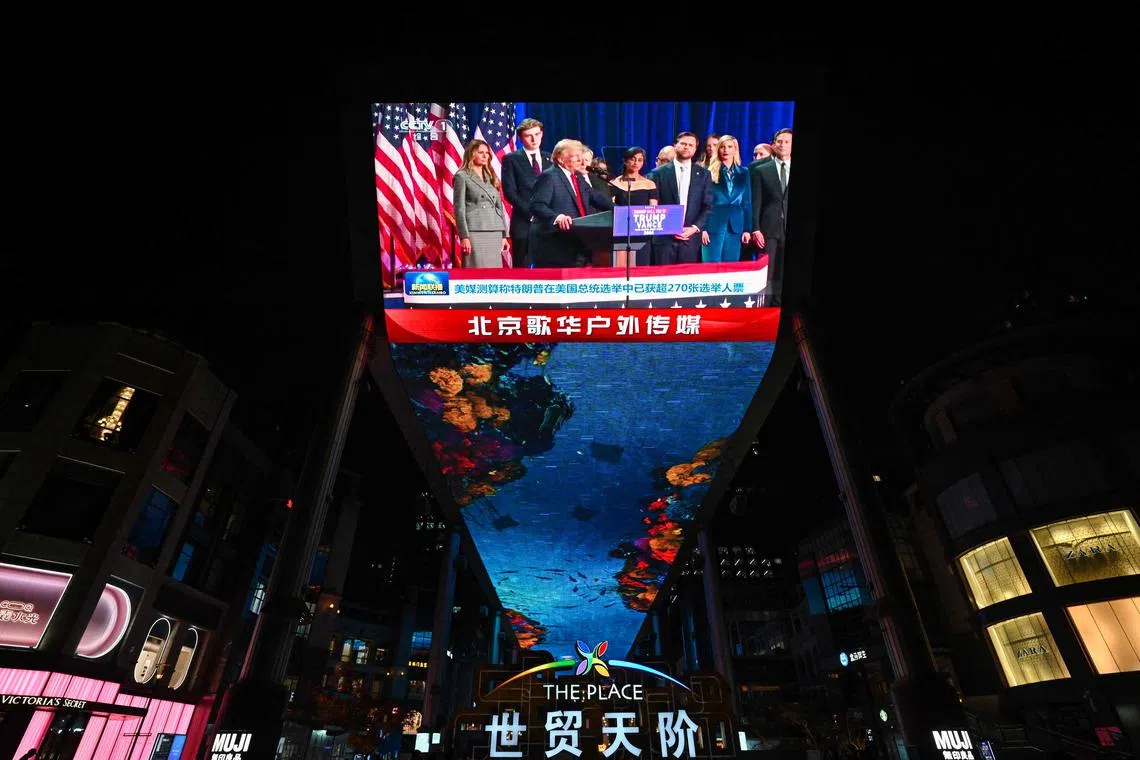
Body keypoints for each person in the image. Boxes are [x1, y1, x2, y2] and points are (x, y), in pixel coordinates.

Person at [528, 139, 613, 267]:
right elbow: (536, 205)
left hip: (579, 241)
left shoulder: (577, 177)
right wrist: (557, 217)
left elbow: (596, 197)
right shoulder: (549, 176)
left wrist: (622, 211)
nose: (581, 160)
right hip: (557, 244)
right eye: (576, 156)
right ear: (561, 159)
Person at [648, 131, 712, 265]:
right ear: (675, 145)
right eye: (683, 144)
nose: (686, 147)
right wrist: (669, 227)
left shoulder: (703, 174)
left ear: (695, 149)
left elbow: (707, 205)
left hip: (691, 240)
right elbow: (653, 206)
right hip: (664, 239)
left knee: (687, 282)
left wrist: (694, 228)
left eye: (690, 145)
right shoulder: (658, 173)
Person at [500, 118, 552, 267]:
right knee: (522, 265)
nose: (533, 139)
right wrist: (532, 213)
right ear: (521, 138)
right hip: (524, 222)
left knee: (548, 266)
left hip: (547, 223)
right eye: (529, 135)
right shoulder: (511, 159)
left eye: (536, 134)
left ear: (541, 134)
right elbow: (510, 192)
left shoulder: (550, 158)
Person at [454, 140, 510, 268]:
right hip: (475, 230)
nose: (485, 156)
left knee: (493, 273)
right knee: (475, 270)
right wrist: (464, 236)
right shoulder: (462, 176)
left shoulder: (491, 176)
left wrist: (503, 235)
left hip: (494, 230)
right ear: (472, 154)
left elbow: (499, 207)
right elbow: (459, 209)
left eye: (487, 153)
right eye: (481, 153)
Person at [749, 128, 792, 295]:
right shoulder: (761, 169)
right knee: (767, 271)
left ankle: (779, 305)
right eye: (779, 141)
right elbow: (756, 202)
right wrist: (756, 228)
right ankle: (765, 308)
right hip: (768, 228)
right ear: (774, 144)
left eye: (787, 142)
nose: (782, 145)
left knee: (784, 271)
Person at [702, 134, 751, 262]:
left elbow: (747, 203)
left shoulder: (744, 172)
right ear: (718, 149)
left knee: (731, 268)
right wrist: (703, 228)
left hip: (735, 226)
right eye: (722, 147)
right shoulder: (708, 171)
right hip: (713, 225)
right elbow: (703, 202)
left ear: (735, 149)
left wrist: (747, 229)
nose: (726, 150)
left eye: (730, 147)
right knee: (711, 267)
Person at [610, 146, 659, 267]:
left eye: (640, 160)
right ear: (625, 161)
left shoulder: (649, 184)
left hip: (641, 232)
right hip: (620, 231)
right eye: (633, 159)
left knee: (640, 269)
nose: (636, 163)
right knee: (619, 270)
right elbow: (610, 207)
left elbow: (653, 210)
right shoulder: (614, 183)